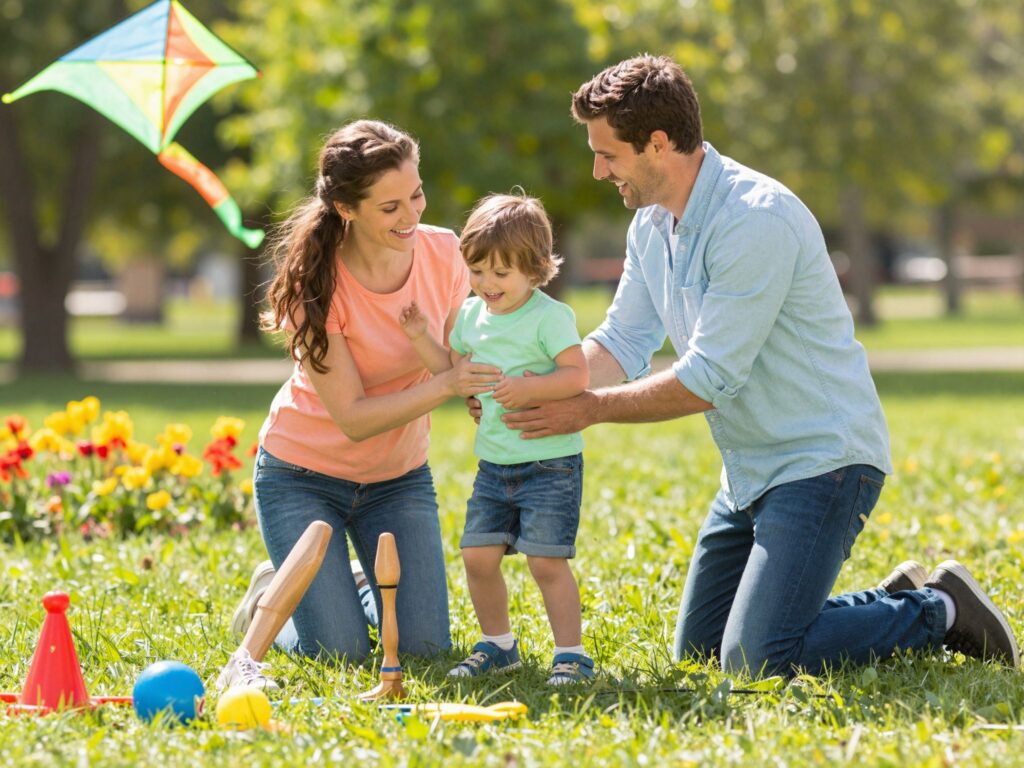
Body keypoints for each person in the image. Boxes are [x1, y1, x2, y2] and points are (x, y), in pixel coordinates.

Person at [497, 55, 1019, 677]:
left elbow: (708, 380)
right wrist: (533, 387)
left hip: (822, 463)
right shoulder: (651, 227)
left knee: (755, 660)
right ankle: (884, 605)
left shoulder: (754, 219)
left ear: (658, 144)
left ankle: (940, 609)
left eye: (607, 155)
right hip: (748, 472)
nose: (598, 170)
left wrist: (585, 411)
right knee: (700, 653)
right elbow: (622, 341)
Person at [216, 119, 501, 690]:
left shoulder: (445, 253)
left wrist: (477, 387)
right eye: (390, 207)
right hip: (303, 477)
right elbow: (352, 417)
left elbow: (452, 355)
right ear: (347, 208)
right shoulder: (314, 283)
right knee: (339, 651)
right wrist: (448, 386)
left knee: (423, 648)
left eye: (416, 195)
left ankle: (351, 584)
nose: (411, 215)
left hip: (397, 478)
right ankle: (276, 596)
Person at [399, 193, 594, 685]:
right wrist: (421, 336)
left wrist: (530, 388)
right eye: (478, 270)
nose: (487, 283)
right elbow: (452, 373)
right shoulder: (470, 317)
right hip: (494, 466)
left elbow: (577, 375)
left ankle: (572, 655)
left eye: (501, 273)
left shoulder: (550, 317)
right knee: (477, 556)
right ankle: (498, 644)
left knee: (546, 562)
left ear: (535, 268)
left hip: (550, 464)